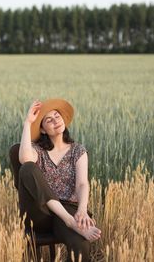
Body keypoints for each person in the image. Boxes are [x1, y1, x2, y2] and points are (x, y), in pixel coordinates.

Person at [18, 98, 101, 262]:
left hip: (68, 208)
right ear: (42, 130)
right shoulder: (38, 150)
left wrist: (82, 209)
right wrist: (27, 123)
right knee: (28, 168)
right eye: (49, 120)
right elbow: (24, 159)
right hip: (41, 212)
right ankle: (70, 222)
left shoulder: (78, 150)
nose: (55, 120)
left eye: (57, 116)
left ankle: (70, 220)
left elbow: (82, 184)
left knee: (81, 245)